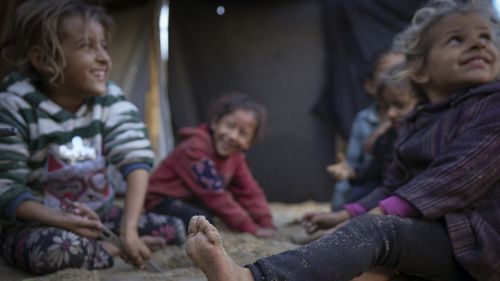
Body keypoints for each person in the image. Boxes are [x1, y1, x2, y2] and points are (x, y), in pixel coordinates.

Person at [185, 0, 500, 280]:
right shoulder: (419, 121)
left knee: (376, 233)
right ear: (419, 71)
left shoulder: (493, 106)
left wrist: (367, 220)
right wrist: (346, 214)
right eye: (457, 39)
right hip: (433, 238)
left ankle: (252, 278)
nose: (478, 44)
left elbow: (453, 179)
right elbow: (392, 185)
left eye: (486, 37)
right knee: (369, 262)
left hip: (477, 245)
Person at [0, 0, 185, 275]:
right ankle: (106, 250)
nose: (104, 58)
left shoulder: (108, 99)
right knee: (59, 249)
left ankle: (103, 245)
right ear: (42, 59)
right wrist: (61, 219)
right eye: (87, 46)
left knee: (175, 228)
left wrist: (129, 230)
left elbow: (135, 159)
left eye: (104, 46)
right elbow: (5, 188)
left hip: (97, 216)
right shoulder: (16, 104)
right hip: (37, 221)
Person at [145, 93, 276, 238]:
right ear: (215, 123)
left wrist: (265, 222)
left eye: (243, 133)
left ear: (249, 143)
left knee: (211, 215)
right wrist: (252, 229)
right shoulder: (195, 148)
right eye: (230, 125)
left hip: (191, 199)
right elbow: (215, 195)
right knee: (203, 221)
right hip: (160, 201)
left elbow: (249, 190)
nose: (233, 136)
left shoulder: (236, 156)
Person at [325, 64, 417, 208]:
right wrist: (353, 172)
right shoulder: (387, 138)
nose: (390, 114)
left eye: (399, 105)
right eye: (386, 107)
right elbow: (375, 169)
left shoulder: (426, 139)